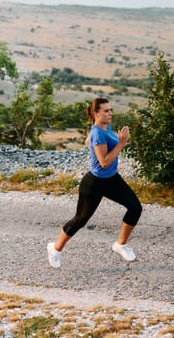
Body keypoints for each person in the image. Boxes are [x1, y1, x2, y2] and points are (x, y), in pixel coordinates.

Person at [47, 97, 142, 268]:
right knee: (80, 220)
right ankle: (55, 248)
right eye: (106, 111)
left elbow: (88, 141)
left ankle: (120, 245)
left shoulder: (103, 128)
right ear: (96, 113)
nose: (110, 113)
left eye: (110, 110)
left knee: (135, 207)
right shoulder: (98, 133)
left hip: (112, 179)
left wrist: (93, 141)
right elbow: (104, 162)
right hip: (95, 183)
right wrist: (121, 143)